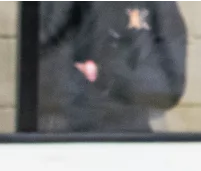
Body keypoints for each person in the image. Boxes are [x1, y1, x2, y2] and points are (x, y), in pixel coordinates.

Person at [40, 0, 187, 132]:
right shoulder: (51, 6)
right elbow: (32, 72)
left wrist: (108, 73)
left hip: (126, 137)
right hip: (57, 139)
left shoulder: (150, 4)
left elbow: (169, 87)